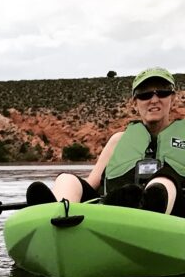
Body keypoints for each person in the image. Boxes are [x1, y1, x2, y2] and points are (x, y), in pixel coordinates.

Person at [25, 66, 184, 215]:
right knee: (67, 179)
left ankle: (153, 213)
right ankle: (55, 213)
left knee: (164, 181)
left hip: (173, 213)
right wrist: (68, 186)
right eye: (145, 94)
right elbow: (91, 183)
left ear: (173, 98)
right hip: (118, 207)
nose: (154, 100)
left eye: (162, 92)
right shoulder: (118, 140)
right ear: (135, 102)